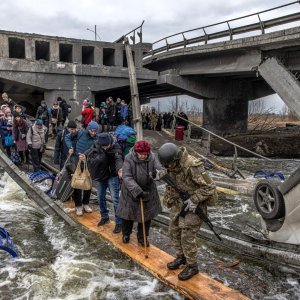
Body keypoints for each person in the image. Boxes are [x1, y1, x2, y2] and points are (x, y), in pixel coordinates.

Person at [158, 142, 217, 281]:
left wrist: (195, 199)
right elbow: (169, 176)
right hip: (179, 204)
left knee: (187, 236)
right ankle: (181, 257)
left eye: (168, 165)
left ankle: (192, 266)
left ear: (175, 160)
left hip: (194, 206)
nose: (167, 168)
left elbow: (210, 186)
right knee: (174, 231)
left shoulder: (193, 165)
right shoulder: (172, 165)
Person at [116, 140, 164, 246]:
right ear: (136, 152)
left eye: (145, 154)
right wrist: (137, 191)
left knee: (146, 216)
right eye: (141, 154)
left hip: (148, 190)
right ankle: (126, 234)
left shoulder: (152, 156)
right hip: (130, 190)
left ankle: (142, 237)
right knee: (127, 214)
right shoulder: (129, 158)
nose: (143, 156)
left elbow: (160, 168)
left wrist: (158, 174)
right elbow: (127, 177)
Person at [85, 133, 123, 233]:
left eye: (107, 146)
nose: (105, 148)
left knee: (115, 199)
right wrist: (83, 155)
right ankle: (104, 216)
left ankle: (119, 222)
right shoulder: (97, 144)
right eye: (103, 146)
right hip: (101, 175)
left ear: (110, 143)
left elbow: (119, 158)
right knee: (100, 197)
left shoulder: (116, 146)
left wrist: (119, 169)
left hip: (112, 176)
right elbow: (89, 151)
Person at [65, 120, 99, 216]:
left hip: (89, 162)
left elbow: (96, 150)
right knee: (78, 183)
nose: (93, 133)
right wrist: (70, 147)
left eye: (95, 131)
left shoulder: (97, 138)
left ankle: (86, 203)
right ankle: (78, 206)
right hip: (77, 161)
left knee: (88, 183)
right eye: (92, 131)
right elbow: (67, 137)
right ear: (88, 129)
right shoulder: (80, 133)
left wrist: (88, 157)